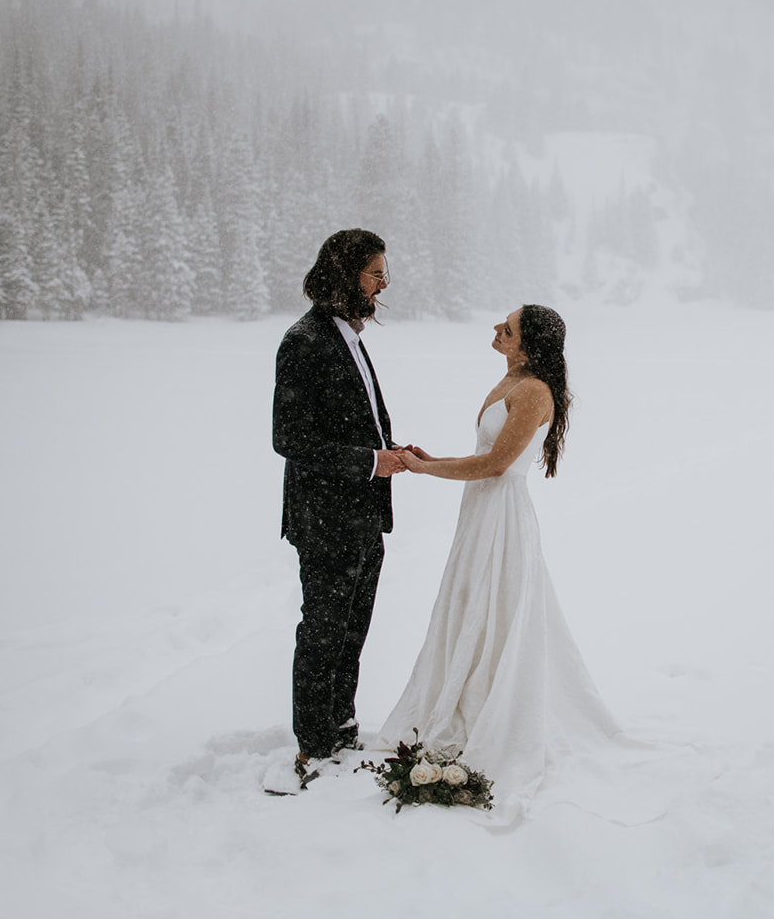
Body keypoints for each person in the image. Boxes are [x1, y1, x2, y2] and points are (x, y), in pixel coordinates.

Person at [383, 304, 621, 823]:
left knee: (496, 606)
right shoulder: (512, 379)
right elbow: (484, 455)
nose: (495, 329)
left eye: (506, 328)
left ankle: (495, 710)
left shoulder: (533, 391)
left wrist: (424, 469)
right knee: (470, 600)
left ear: (527, 344)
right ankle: (463, 690)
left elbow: (495, 465)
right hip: (480, 510)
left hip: (502, 514)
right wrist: (432, 461)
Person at [263, 229, 408, 795]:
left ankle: (341, 729)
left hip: (363, 514)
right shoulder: (304, 340)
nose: (383, 284)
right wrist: (372, 462)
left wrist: (389, 455)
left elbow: (357, 418)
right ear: (347, 275)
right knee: (324, 631)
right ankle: (314, 743)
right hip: (325, 517)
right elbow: (289, 437)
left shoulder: (347, 337)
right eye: (375, 273)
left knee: (354, 628)